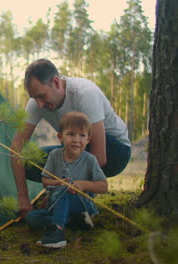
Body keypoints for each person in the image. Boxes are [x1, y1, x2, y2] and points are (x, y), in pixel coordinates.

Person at [11, 59, 130, 218]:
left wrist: (59, 192)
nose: (39, 104)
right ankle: (72, 203)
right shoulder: (36, 103)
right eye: (34, 98)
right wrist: (23, 198)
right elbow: (15, 149)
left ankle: (80, 200)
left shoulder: (85, 93)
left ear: (56, 82)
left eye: (41, 96)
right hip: (77, 150)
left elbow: (99, 157)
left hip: (115, 150)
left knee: (78, 144)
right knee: (29, 162)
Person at [25, 111, 108, 248]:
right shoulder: (54, 155)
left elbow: (104, 187)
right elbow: (45, 182)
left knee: (65, 192)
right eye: (71, 134)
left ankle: (57, 234)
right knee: (32, 218)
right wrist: (58, 182)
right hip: (56, 204)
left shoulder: (89, 159)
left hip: (80, 204)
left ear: (88, 139)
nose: (76, 140)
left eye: (82, 135)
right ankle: (74, 221)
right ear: (60, 136)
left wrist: (83, 184)